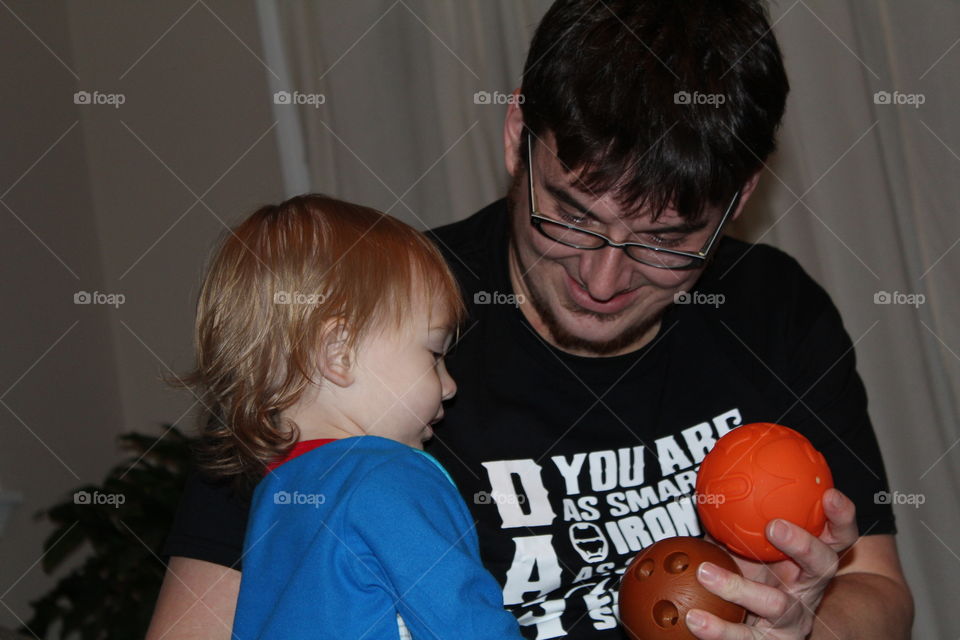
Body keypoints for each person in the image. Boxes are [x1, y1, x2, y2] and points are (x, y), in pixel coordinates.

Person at [147, 1, 914, 639]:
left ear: (739, 200)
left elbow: (878, 591)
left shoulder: (774, 309)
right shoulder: (364, 325)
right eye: (572, 217)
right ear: (518, 136)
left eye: (666, 241)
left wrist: (803, 623)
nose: (603, 279)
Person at [166, 194, 525, 639]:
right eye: (434, 353)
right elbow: (467, 625)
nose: (449, 385)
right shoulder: (388, 478)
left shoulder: (275, 495)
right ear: (339, 352)